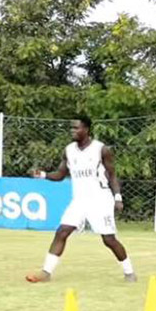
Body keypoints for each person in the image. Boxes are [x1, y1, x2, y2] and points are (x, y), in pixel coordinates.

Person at [26, 116, 136, 283]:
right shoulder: (69, 150)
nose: (73, 131)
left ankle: (129, 272)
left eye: (76, 128)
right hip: (79, 201)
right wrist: (42, 175)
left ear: (86, 129)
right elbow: (60, 175)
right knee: (62, 231)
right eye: (72, 128)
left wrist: (118, 197)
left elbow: (112, 175)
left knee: (109, 240)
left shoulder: (101, 149)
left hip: (100, 200)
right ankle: (46, 272)